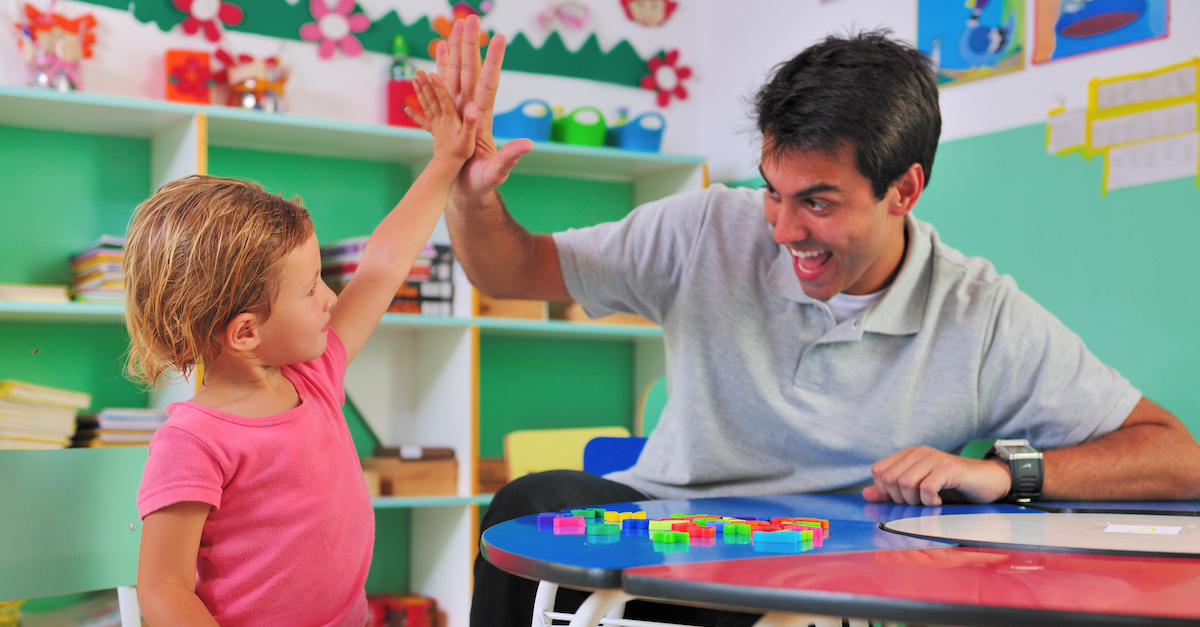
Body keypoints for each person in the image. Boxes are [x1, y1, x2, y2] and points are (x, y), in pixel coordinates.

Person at [426, 21, 1200, 626]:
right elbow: (511, 270)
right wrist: (470, 196)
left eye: (818, 202)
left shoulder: (978, 311)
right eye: (772, 191)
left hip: (838, 574)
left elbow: (1176, 456)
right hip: (673, 536)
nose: (783, 228)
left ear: (905, 189)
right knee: (527, 506)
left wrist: (1004, 473)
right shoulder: (707, 228)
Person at [126, 68, 480, 626]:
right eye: (312, 286)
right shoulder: (193, 440)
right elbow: (165, 588)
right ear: (246, 333)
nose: (332, 297)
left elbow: (384, 263)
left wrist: (446, 159)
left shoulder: (313, 374)